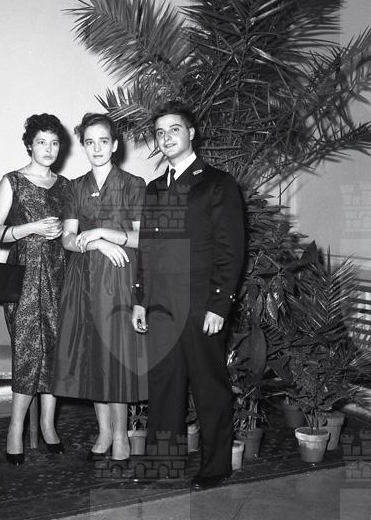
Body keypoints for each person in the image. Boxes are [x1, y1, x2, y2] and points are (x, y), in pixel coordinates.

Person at [131, 101, 245, 490]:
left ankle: (216, 466)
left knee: (209, 387)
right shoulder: (154, 189)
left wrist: (219, 305)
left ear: (191, 133)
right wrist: (140, 298)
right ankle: (162, 463)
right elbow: (147, 248)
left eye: (174, 130)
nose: (166, 138)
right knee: (164, 385)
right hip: (161, 305)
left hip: (200, 305)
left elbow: (231, 250)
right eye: (160, 133)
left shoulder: (217, 183)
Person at [52, 113, 147, 462]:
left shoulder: (133, 183)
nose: (96, 148)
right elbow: (67, 239)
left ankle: (121, 436)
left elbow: (142, 239)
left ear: (115, 145)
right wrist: (95, 243)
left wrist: (105, 233)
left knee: (115, 357)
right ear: (83, 146)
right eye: (89, 142)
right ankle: (104, 432)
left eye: (103, 141)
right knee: (94, 356)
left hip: (120, 278)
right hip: (84, 280)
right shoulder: (75, 187)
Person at [0, 113, 70, 465]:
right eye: (41, 142)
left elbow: (73, 231)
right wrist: (31, 228)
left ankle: (48, 425)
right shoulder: (13, 181)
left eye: (54, 143)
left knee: (57, 351)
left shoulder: (66, 186)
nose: (48, 149)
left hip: (60, 274)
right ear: (29, 145)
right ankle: (15, 428)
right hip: (24, 277)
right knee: (27, 351)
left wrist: (64, 231)